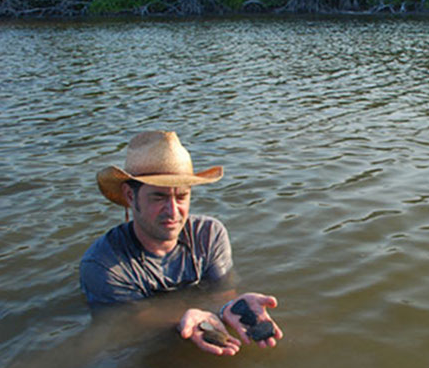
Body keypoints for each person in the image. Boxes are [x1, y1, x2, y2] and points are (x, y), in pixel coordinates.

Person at [80, 131, 282, 356]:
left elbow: (222, 294)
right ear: (130, 195)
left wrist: (229, 307)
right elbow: (130, 322)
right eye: (158, 197)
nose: (173, 211)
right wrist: (187, 317)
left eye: (181, 197)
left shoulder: (209, 235)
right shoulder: (104, 265)